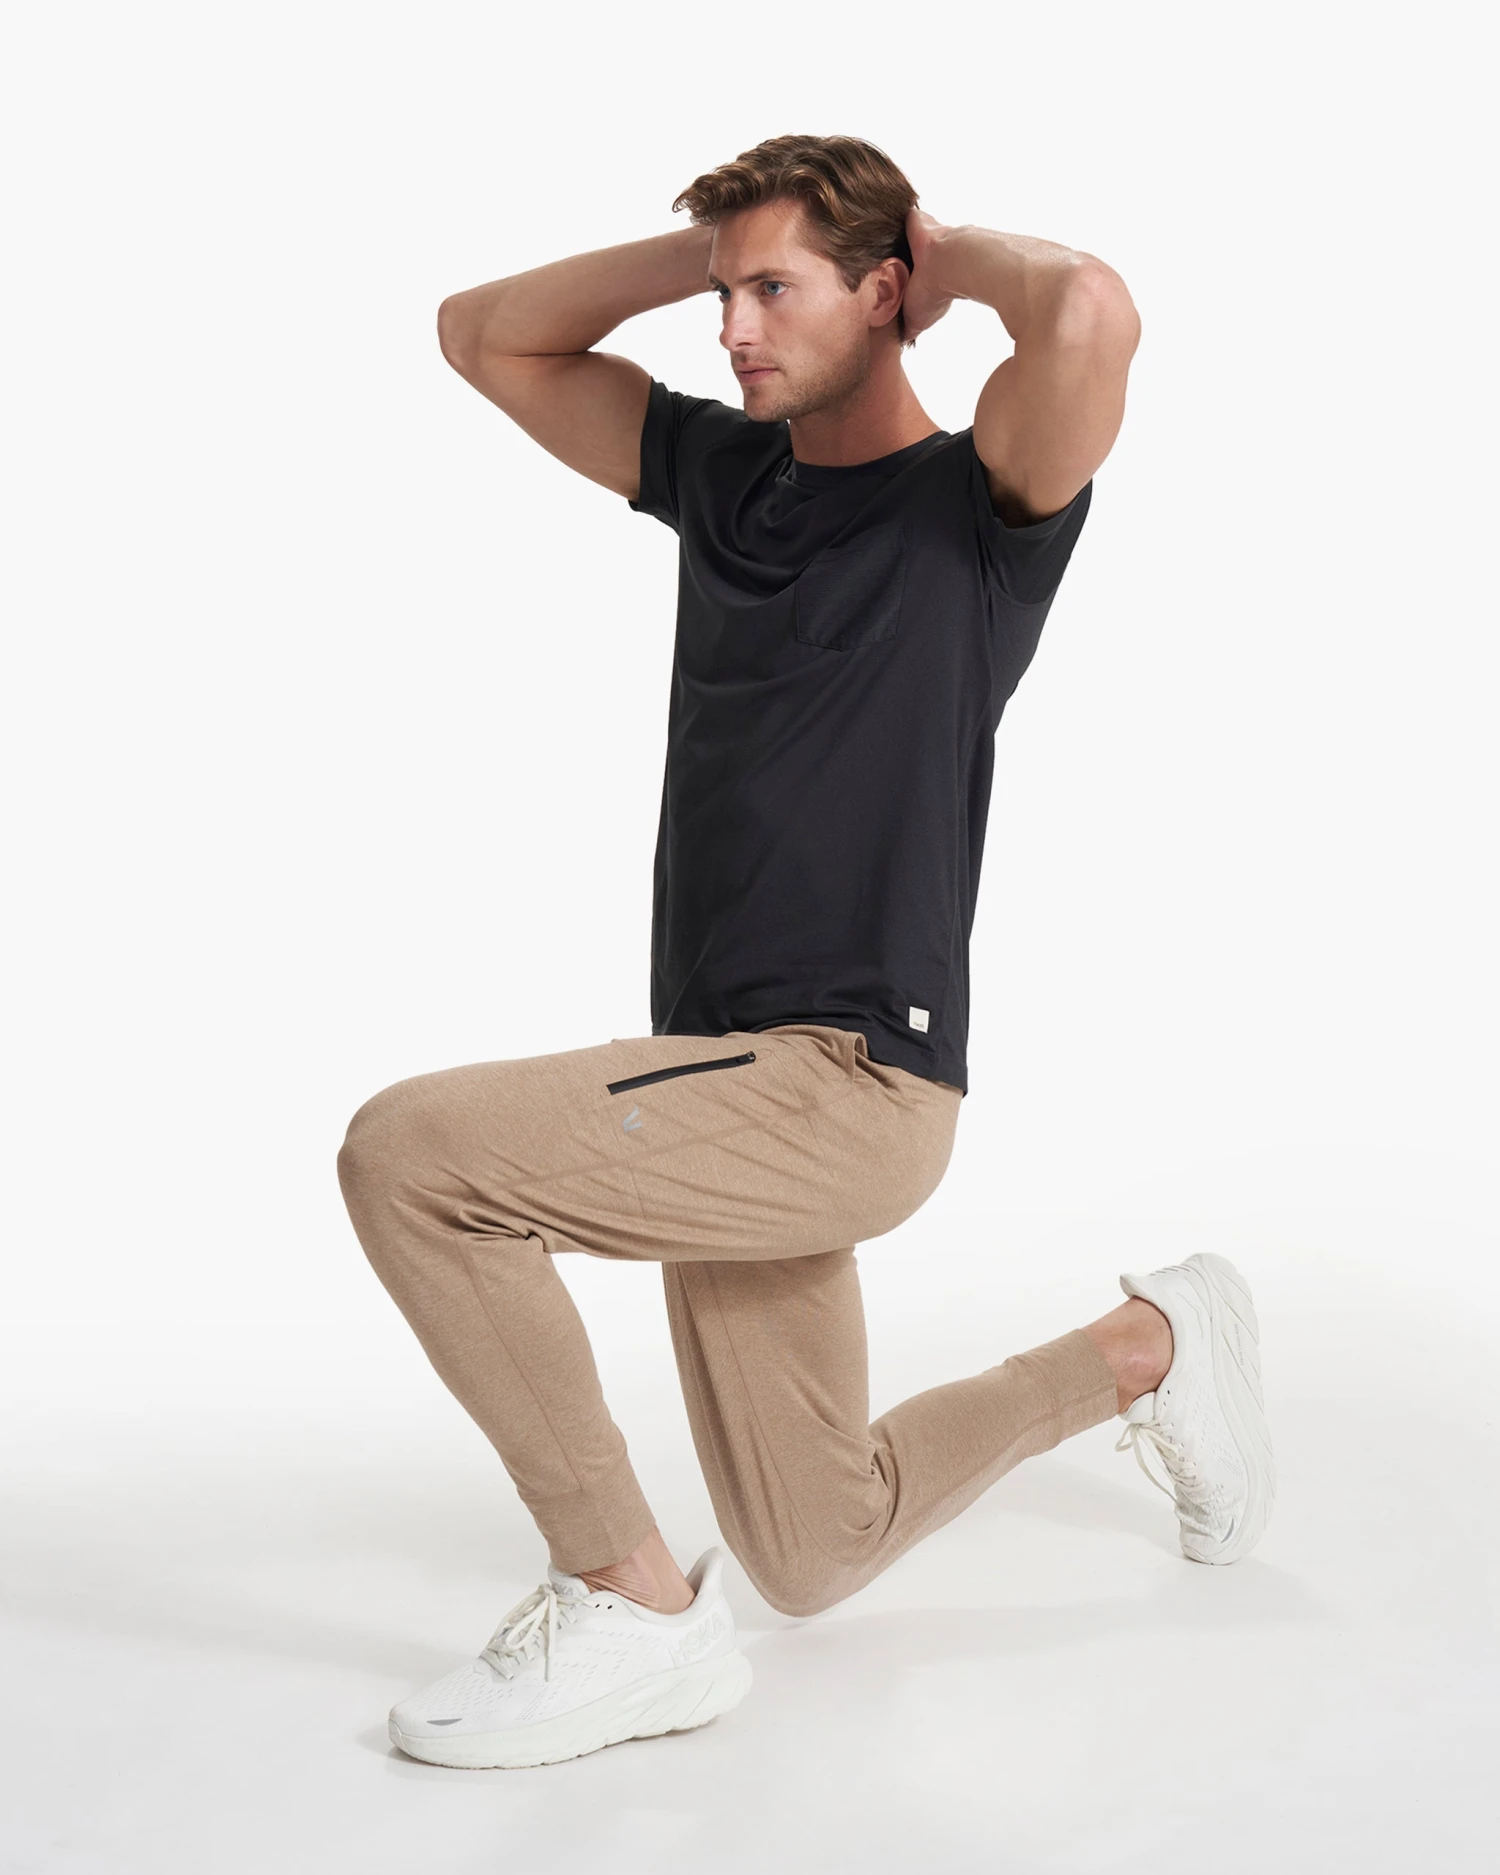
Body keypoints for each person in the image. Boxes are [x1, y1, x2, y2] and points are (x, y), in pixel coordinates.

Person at [337, 133, 1275, 1772]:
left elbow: (1092, 310)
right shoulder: (723, 475)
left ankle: (626, 1601)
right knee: (814, 1543)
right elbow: (480, 334)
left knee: (412, 1158)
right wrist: (709, 247)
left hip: (849, 1079)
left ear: (887, 291)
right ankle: (1157, 1344)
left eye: (774, 292)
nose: (733, 329)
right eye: (727, 296)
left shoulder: (980, 508)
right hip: (720, 1072)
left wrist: (946, 250)